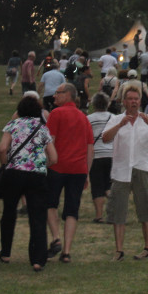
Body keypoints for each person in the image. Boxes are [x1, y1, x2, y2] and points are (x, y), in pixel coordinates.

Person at [102, 86, 148, 261]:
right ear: (124, 102)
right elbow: (105, 138)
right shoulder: (115, 119)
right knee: (118, 210)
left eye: (136, 99)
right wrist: (120, 125)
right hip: (121, 170)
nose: (133, 102)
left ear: (140, 101)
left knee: (146, 208)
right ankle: (119, 250)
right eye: (130, 99)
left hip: (142, 168)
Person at [0, 95, 57, 271]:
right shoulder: (42, 129)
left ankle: (6, 252)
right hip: (36, 175)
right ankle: (38, 259)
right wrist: (40, 165)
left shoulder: (12, 125)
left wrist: (4, 165)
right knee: (37, 216)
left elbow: (2, 148)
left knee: (9, 212)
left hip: (14, 172)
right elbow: (54, 157)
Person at [44, 83, 94, 263]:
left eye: (57, 93)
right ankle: (66, 251)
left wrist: (46, 163)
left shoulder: (56, 114)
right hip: (78, 170)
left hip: (57, 167)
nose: (54, 96)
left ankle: (56, 237)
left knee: (50, 204)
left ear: (68, 95)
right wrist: (87, 172)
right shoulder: (83, 117)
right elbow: (90, 148)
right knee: (72, 210)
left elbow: (50, 142)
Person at [87, 92, 114, 224]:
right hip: (111, 154)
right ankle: (114, 212)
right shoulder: (114, 118)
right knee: (109, 185)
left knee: (97, 186)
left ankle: (99, 215)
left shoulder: (89, 119)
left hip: (96, 155)